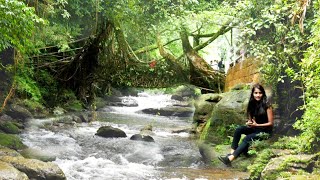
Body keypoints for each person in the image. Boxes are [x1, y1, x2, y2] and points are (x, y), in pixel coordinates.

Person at [218, 83, 274, 166]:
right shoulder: (251, 104)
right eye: (256, 93)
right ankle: (231, 154)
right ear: (252, 94)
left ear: (263, 94)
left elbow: (271, 123)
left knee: (248, 138)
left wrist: (257, 125)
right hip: (255, 128)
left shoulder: (267, 105)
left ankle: (230, 159)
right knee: (238, 130)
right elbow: (251, 120)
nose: (258, 95)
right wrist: (249, 123)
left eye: (260, 93)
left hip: (265, 131)